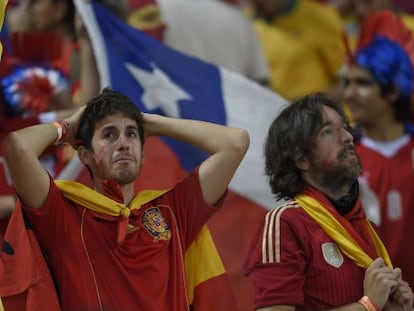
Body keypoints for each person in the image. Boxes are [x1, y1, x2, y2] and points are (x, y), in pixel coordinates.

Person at [2, 87, 249, 310]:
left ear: (143, 154)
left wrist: (154, 123)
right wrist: (67, 126)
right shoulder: (63, 213)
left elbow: (235, 143)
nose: (123, 144)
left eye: (131, 135)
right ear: (85, 155)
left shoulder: (173, 210)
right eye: (109, 135)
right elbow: (17, 147)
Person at [244, 92, 413, 310]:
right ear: (302, 159)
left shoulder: (361, 221)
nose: (347, 137)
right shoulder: (286, 223)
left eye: (344, 127)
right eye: (327, 132)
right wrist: (368, 305)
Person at [342, 10, 414, 292]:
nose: (349, 94)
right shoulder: (341, 156)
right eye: (347, 83)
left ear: (393, 91)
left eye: (362, 83)